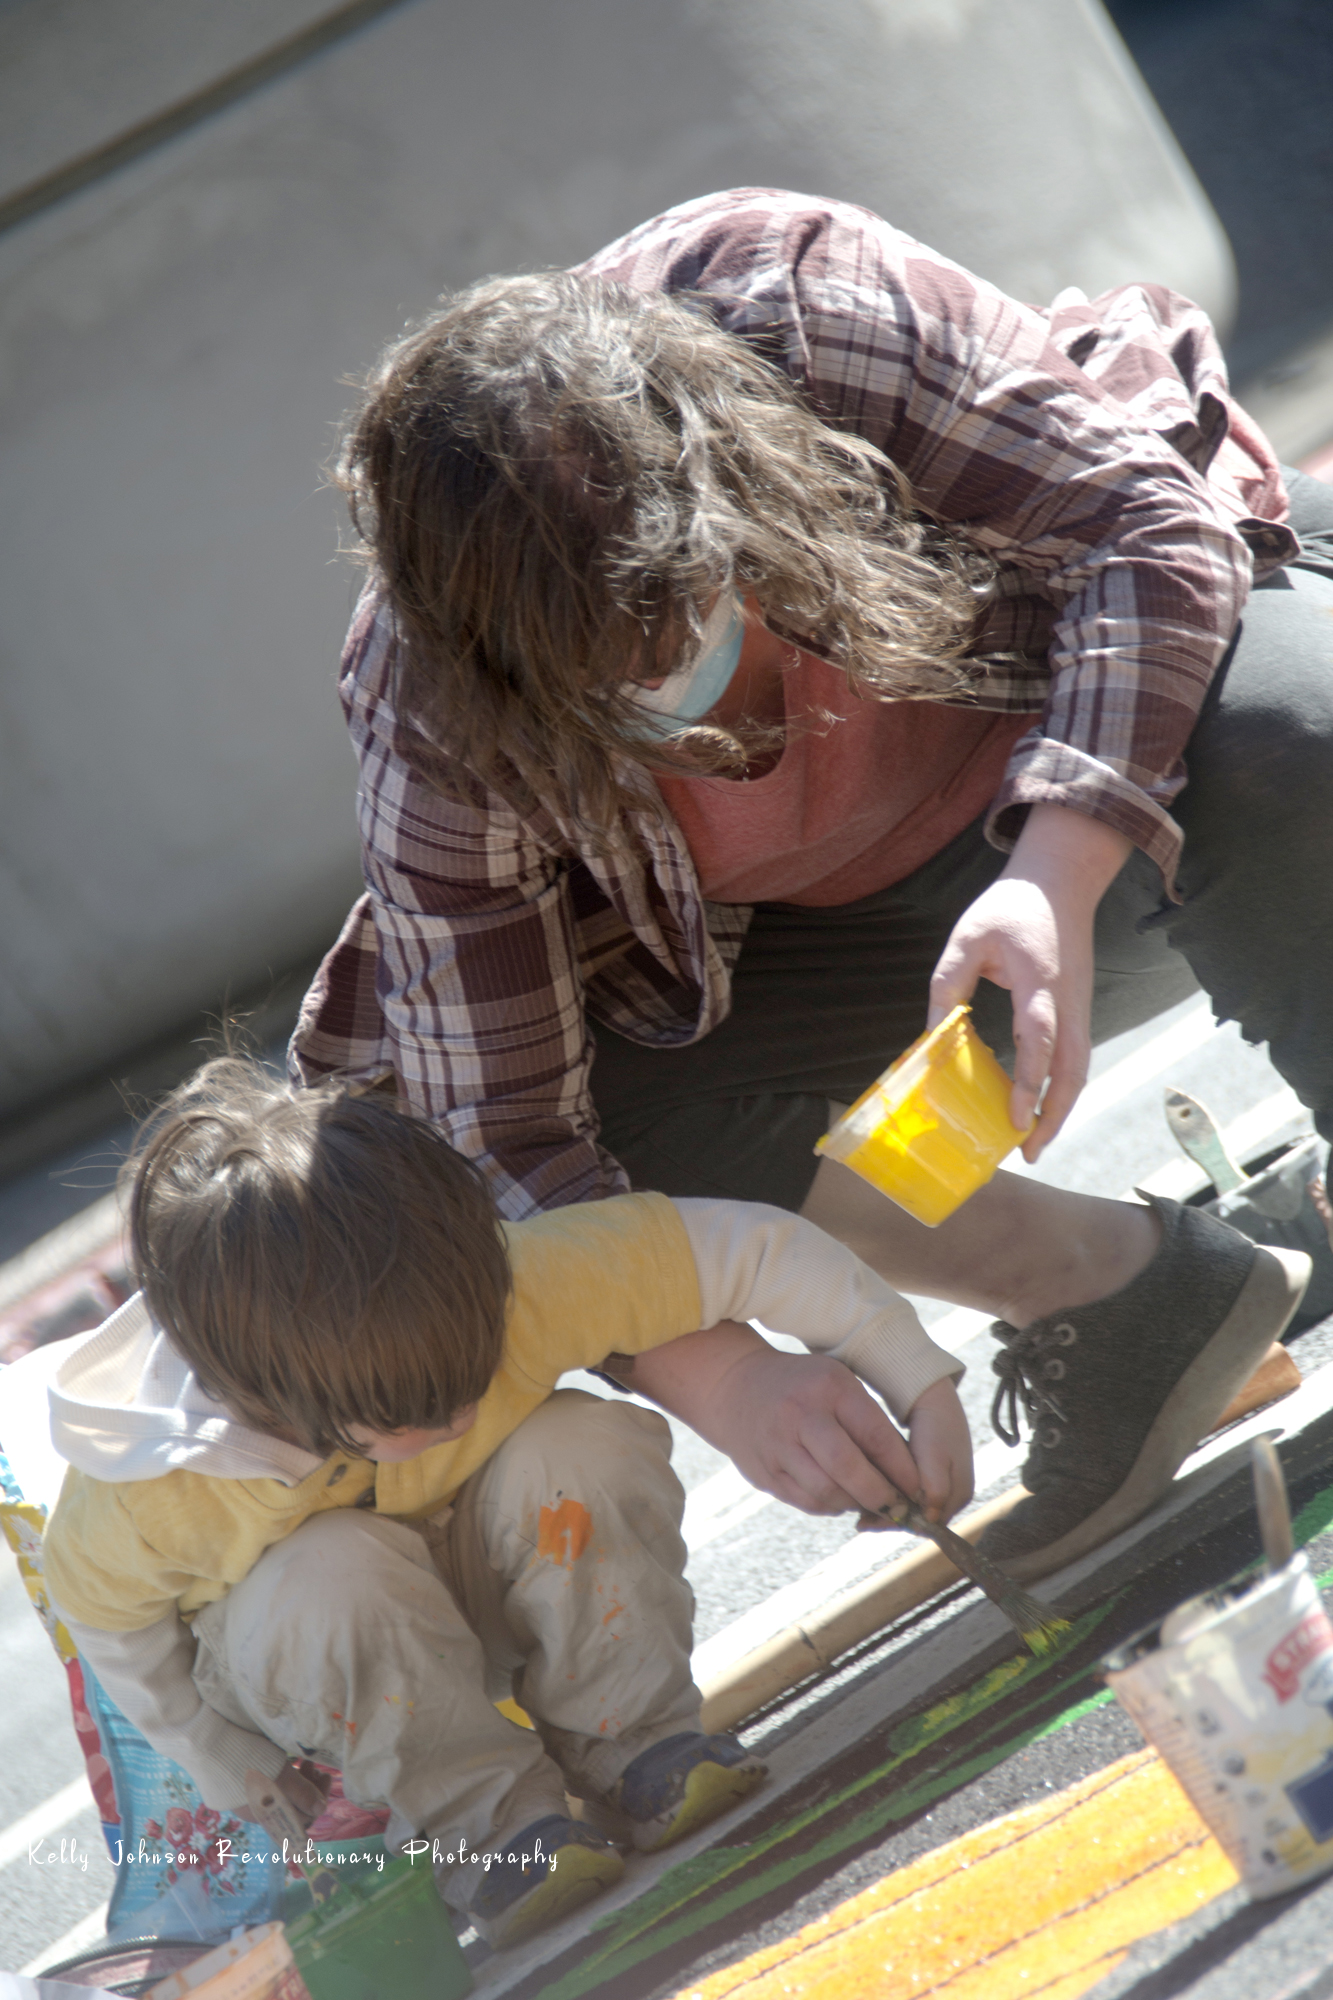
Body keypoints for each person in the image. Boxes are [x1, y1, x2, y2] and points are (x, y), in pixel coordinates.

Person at [291, 186, 1330, 1576]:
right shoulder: (429, 699)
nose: (674, 707)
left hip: (1142, 815)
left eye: (674, 632)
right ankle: (1124, 1301)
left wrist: (1051, 868)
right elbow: (506, 1130)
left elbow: (1143, 536)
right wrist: (719, 1374)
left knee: (1286, 739)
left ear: (735, 480)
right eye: (601, 691)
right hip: (931, 1010)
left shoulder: (795, 307)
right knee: (562, 1117)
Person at [41, 1057, 972, 1947]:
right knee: (325, 1571)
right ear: (275, 1397)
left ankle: (638, 1747)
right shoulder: (153, 1485)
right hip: (338, 1666)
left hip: (493, 1579)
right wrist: (222, 1760)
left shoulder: (521, 1281)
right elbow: (108, 1623)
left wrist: (920, 1382)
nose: (458, 1413)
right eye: (411, 1410)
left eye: (473, 1370)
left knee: (579, 1442)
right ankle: (495, 1837)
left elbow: (753, 1250)